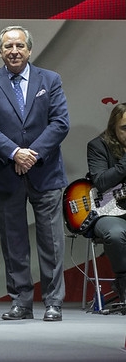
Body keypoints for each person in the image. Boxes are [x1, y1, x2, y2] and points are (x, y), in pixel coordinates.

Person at [0, 25, 69, 322]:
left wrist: (32, 154)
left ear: (29, 50)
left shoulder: (50, 80)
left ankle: (53, 302)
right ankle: (21, 302)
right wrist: (15, 153)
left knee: (51, 241)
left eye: (19, 46)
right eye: (8, 46)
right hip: (6, 172)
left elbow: (60, 122)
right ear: (0, 51)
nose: (14, 51)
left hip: (45, 171)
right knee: (13, 241)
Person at [86, 102, 126, 303]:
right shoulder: (98, 146)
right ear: (113, 128)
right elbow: (101, 182)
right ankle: (123, 282)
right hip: (107, 212)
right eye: (124, 128)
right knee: (116, 234)